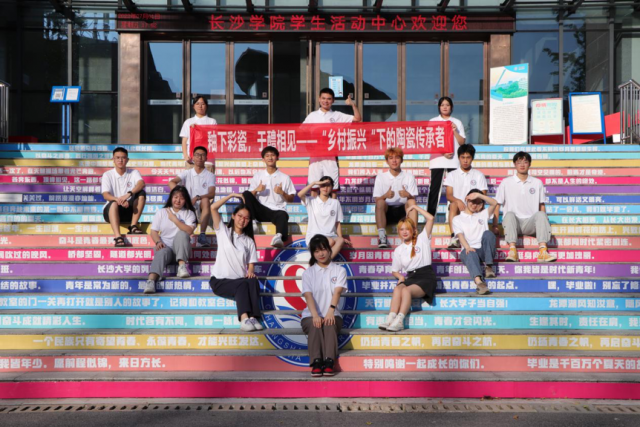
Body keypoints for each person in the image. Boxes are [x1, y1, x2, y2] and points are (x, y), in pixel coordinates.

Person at [209, 193, 263, 332]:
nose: (242, 220)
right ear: (233, 216)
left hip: (239, 280)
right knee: (242, 284)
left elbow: (251, 263)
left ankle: (254, 317)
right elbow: (213, 207)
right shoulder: (223, 232)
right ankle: (244, 319)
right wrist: (232, 195)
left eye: (246, 218)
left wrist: (250, 272)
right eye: (240, 216)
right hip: (220, 281)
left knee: (253, 281)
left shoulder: (249, 241)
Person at [379, 205, 437, 332]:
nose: (404, 232)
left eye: (407, 229)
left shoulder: (422, 239)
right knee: (398, 288)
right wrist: (400, 276)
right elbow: (394, 270)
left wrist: (415, 207)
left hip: (426, 276)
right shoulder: (398, 250)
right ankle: (390, 318)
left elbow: (431, 218)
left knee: (405, 290)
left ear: (413, 230)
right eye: (401, 229)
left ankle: (400, 320)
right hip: (411, 277)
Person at [493, 151, 557, 263]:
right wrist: (495, 225)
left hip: (530, 223)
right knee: (509, 214)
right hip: (513, 223)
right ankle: (513, 251)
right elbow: (497, 204)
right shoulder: (506, 182)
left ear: (530, 164)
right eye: (519, 162)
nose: (522, 165)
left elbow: (542, 205)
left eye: (525, 162)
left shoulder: (537, 182)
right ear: (514, 164)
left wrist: (544, 223)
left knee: (541, 214)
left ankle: (543, 251)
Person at [301, 235, 347, 377]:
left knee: (329, 322)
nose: (320, 254)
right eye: (316, 251)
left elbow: (337, 292)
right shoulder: (308, 273)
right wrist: (315, 315)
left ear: (329, 249)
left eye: (323, 249)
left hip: (333, 314)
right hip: (310, 315)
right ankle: (316, 361)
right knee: (315, 324)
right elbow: (308, 295)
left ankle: (329, 361)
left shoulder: (339, 270)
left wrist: (330, 311)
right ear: (312, 254)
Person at [302, 87, 362, 199]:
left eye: (329, 99)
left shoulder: (337, 115)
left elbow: (357, 118)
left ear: (333, 100)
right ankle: (313, 209)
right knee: (314, 186)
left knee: (333, 187)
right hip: (315, 157)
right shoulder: (312, 116)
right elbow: (301, 131)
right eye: (323, 98)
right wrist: (309, 146)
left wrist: (352, 105)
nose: (326, 101)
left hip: (331, 156)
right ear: (319, 99)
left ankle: (334, 207)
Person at [144, 186, 197, 294]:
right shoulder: (162, 212)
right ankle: (151, 281)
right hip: (166, 248)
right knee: (161, 251)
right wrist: (158, 242)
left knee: (182, 233)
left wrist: (175, 220)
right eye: (175, 197)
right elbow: (153, 231)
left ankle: (181, 267)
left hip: (181, 250)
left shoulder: (189, 213)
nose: (178, 200)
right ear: (171, 198)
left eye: (181, 198)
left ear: (185, 200)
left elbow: (189, 230)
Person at [243, 146, 296, 248]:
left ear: (277, 158)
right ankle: (252, 222)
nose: (270, 158)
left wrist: (282, 193)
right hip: (260, 209)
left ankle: (278, 237)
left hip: (276, 210)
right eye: (267, 156)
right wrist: (256, 190)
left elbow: (291, 199)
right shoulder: (258, 176)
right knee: (246, 193)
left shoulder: (285, 177)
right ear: (263, 159)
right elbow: (249, 197)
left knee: (283, 214)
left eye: (272, 155)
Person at [426, 96, 467, 217]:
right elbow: (429, 141)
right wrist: (443, 152)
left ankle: (452, 217)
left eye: (447, 105)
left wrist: (454, 131)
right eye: (442, 105)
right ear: (439, 107)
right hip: (437, 160)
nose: (445, 107)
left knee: (454, 190)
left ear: (451, 107)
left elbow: (462, 142)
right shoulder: (433, 121)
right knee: (435, 189)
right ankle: (430, 217)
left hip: (453, 161)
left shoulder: (457, 122)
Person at [168, 146, 216, 247]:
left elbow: (212, 193)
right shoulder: (187, 173)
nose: (199, 157)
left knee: (206, 200)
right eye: (197, 155)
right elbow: (171, 182)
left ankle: (202, 236)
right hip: (188, 206)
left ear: (206, 158)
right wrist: (183, 197)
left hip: (202, 207)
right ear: (193, 157)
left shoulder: (210, 175)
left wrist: (197, 197)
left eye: (202, 155)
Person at [453, 190, 497, 296]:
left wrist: (479, 195)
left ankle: (488, 267)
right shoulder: (457, 219)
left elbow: (494, 203)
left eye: (478, 202)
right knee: (470, 252)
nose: (474, 205)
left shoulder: (483, 214)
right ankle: (479, 283)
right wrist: (467, 247)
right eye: (472, 201)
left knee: (488, 233)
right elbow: (460, 235)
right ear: (467, 200)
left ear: (481, 205)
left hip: (483, 251)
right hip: (469, 251)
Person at [373, 147, 419, 248]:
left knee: (411, 202)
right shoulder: (381, 177)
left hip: (404, 212)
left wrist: (408, 195)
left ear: (401, 160)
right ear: (387, 161)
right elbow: (377, 199)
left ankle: (413, 235)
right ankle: (382, 237)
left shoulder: (409, 176)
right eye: (391, 158)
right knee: (380, 202)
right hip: (387, 212)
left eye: (397, 158)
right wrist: (385, 196)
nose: (394, 161)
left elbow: (413, 197)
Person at [444, 144, 488, 249]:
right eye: (462, 157)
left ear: (472, 158)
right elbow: (449, 195)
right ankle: (454, 237)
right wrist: (459, 201)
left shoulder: (478, 175)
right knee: (453, 204)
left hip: (474, 208)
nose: (465, 160)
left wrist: (472, 204)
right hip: (458, 209)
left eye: (468, 157)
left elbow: (483, 195)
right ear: (458, 158)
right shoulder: (452, 175)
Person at [101, 147, 146, 247]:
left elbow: (141, 183)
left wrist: (128, 194)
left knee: (141, 193)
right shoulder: (107, 175)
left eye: (123, 158)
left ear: (127, 159)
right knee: (113, 203)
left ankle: (133, 226)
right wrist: (119, 200)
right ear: (113, 159)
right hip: (111, 211)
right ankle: (118, 237)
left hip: (128, 209)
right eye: (117, 157)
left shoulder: (134, 172)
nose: (120, 160)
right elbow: (105, 195)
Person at [298, 176, 345, 260]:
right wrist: (314, 183)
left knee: (340, 240)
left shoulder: (335, 203)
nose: (325, 188)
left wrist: (340, 237)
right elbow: (300, 194)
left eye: (328, 185)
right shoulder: (311, 201)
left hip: (331, 235)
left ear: (332, 187)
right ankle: (323, 262)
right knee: (330, 241)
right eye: (323, 185)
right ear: (319, 186)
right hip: (315, 236)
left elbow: (337, 222)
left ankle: (324, 261)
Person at [180, 96, 217, 170]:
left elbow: (215, 140)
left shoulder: (212, 121)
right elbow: (184, 141)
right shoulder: (188, 122)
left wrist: (200, 129)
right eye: (197, 104)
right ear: (193, 106)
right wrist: (185, 155)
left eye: (202, 104)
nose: (200, 106)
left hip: (207, 161)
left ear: (206, 106)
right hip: (192, 160)